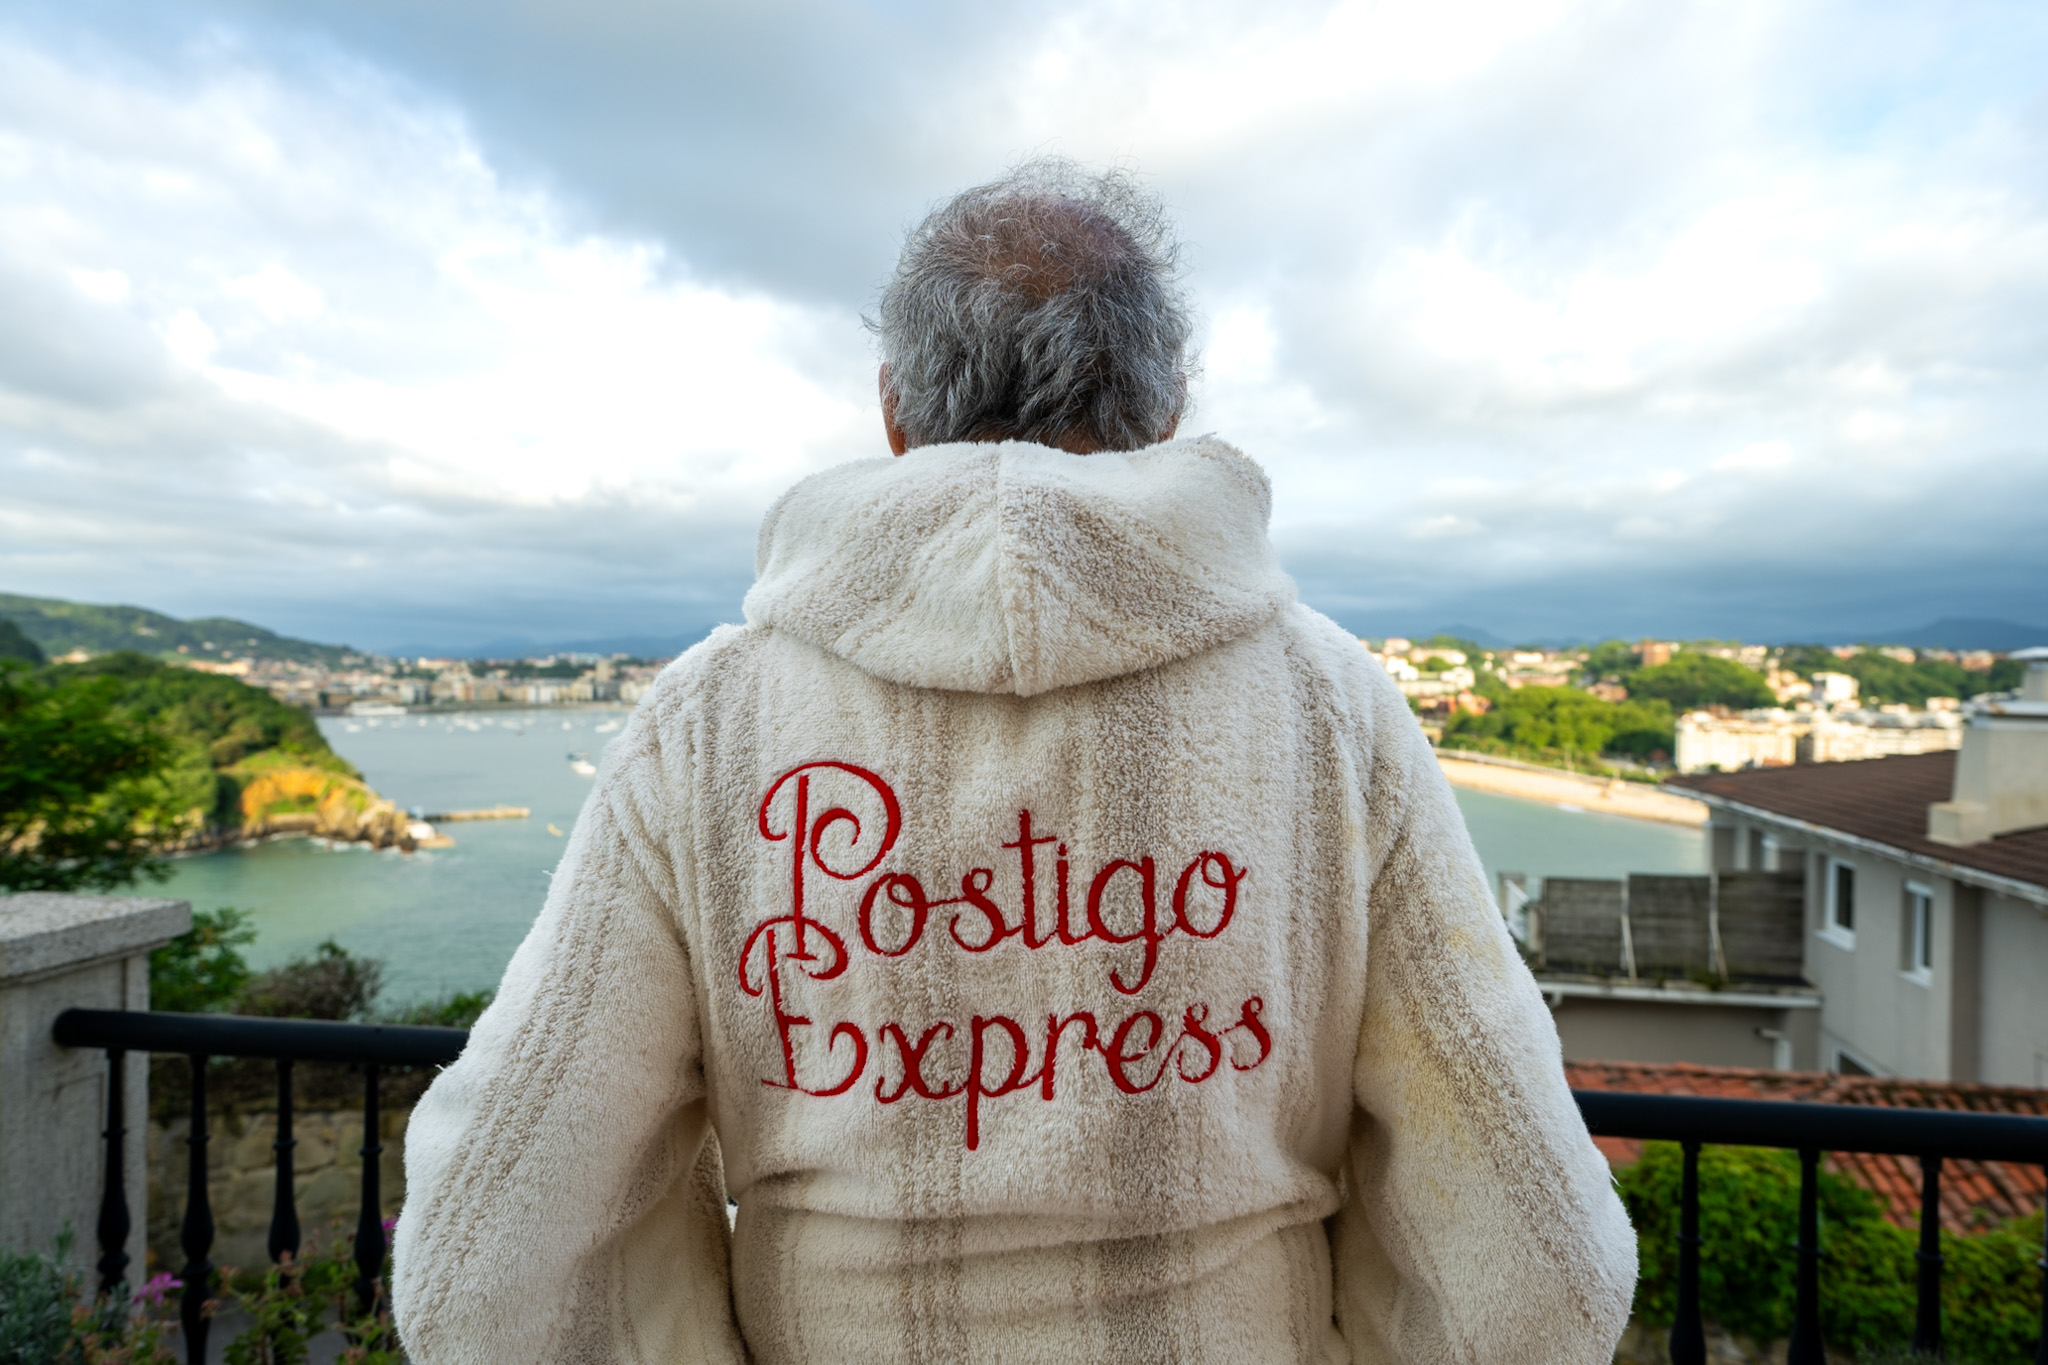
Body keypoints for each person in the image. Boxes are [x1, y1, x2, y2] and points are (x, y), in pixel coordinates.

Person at [391, 160, 1637, 1364]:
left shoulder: (709, 716)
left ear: (892, 409)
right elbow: (1523, 1224)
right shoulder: (1326, 704)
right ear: (1164, 409)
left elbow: (497, 1235)